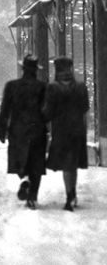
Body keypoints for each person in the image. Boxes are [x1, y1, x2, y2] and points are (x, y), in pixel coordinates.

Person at [0, 54, 47, 209]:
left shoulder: (11, 86)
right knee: (36, 164)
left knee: (20, 160)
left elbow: (5, 110)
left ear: (23, 69)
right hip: (37, 130)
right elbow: (47, 110)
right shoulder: (42, 87)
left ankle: (24, 178)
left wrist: (2, 129)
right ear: (36, 70)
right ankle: (32, 196)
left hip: (18, 131)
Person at [43, 56, 89, 211]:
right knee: (73, 164)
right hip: (77, 131)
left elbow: (48, 112)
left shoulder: (53, 88)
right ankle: (73, 193)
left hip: (62, 132)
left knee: (67, 165)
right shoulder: (81, 87)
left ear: (57, 70)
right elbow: (85, 108)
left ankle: (70, 196)